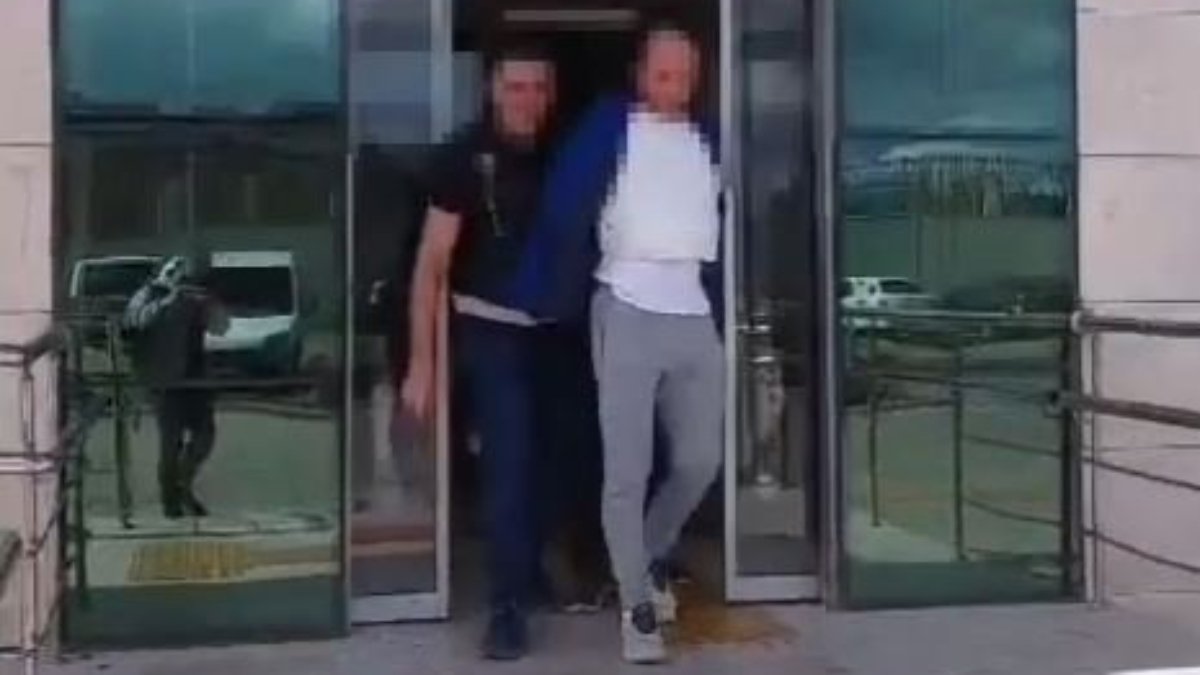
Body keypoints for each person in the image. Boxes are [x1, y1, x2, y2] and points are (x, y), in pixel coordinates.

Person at [507, 20, 724, 664]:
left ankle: (646, 554)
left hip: (693, 312)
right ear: (640, 73)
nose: (675, 86)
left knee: (699, 460)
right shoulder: (610, 127)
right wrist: (556, 290)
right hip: (626, 306)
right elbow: (563, 207)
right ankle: (637, 609)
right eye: (664, 74)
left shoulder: (706, 137)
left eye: (686, 76)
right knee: (626, 470)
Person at [399, 42, 558, 661]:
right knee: (508, 470)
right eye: (515, 87)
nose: (527, 100)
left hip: (557, 334)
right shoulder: (463, 157)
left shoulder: (559, 152)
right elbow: (431, 265)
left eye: (537, 88)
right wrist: (422, 364)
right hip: (490, 336)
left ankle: (531, 568)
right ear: (493, 90)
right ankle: (506, 609)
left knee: (558, 460)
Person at [124, 253, 230, 520]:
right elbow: (134, 321)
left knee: (204, 437)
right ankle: (170, 499)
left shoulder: (198, 300)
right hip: (165, 382)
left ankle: (184, 483)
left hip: (195, 381)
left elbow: (221, 328)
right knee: (170, 444)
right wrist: (168, 301)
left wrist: (210, 303)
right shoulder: (149, 294)